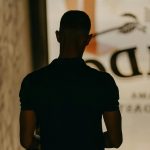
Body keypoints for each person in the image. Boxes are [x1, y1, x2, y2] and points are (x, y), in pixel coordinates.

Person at [19, 10, 123, 150]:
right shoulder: (103, 82)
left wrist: (49, 144)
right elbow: (115, 140)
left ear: (58, 36)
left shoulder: (32, 81)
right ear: (88, 39)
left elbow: (26, 141)